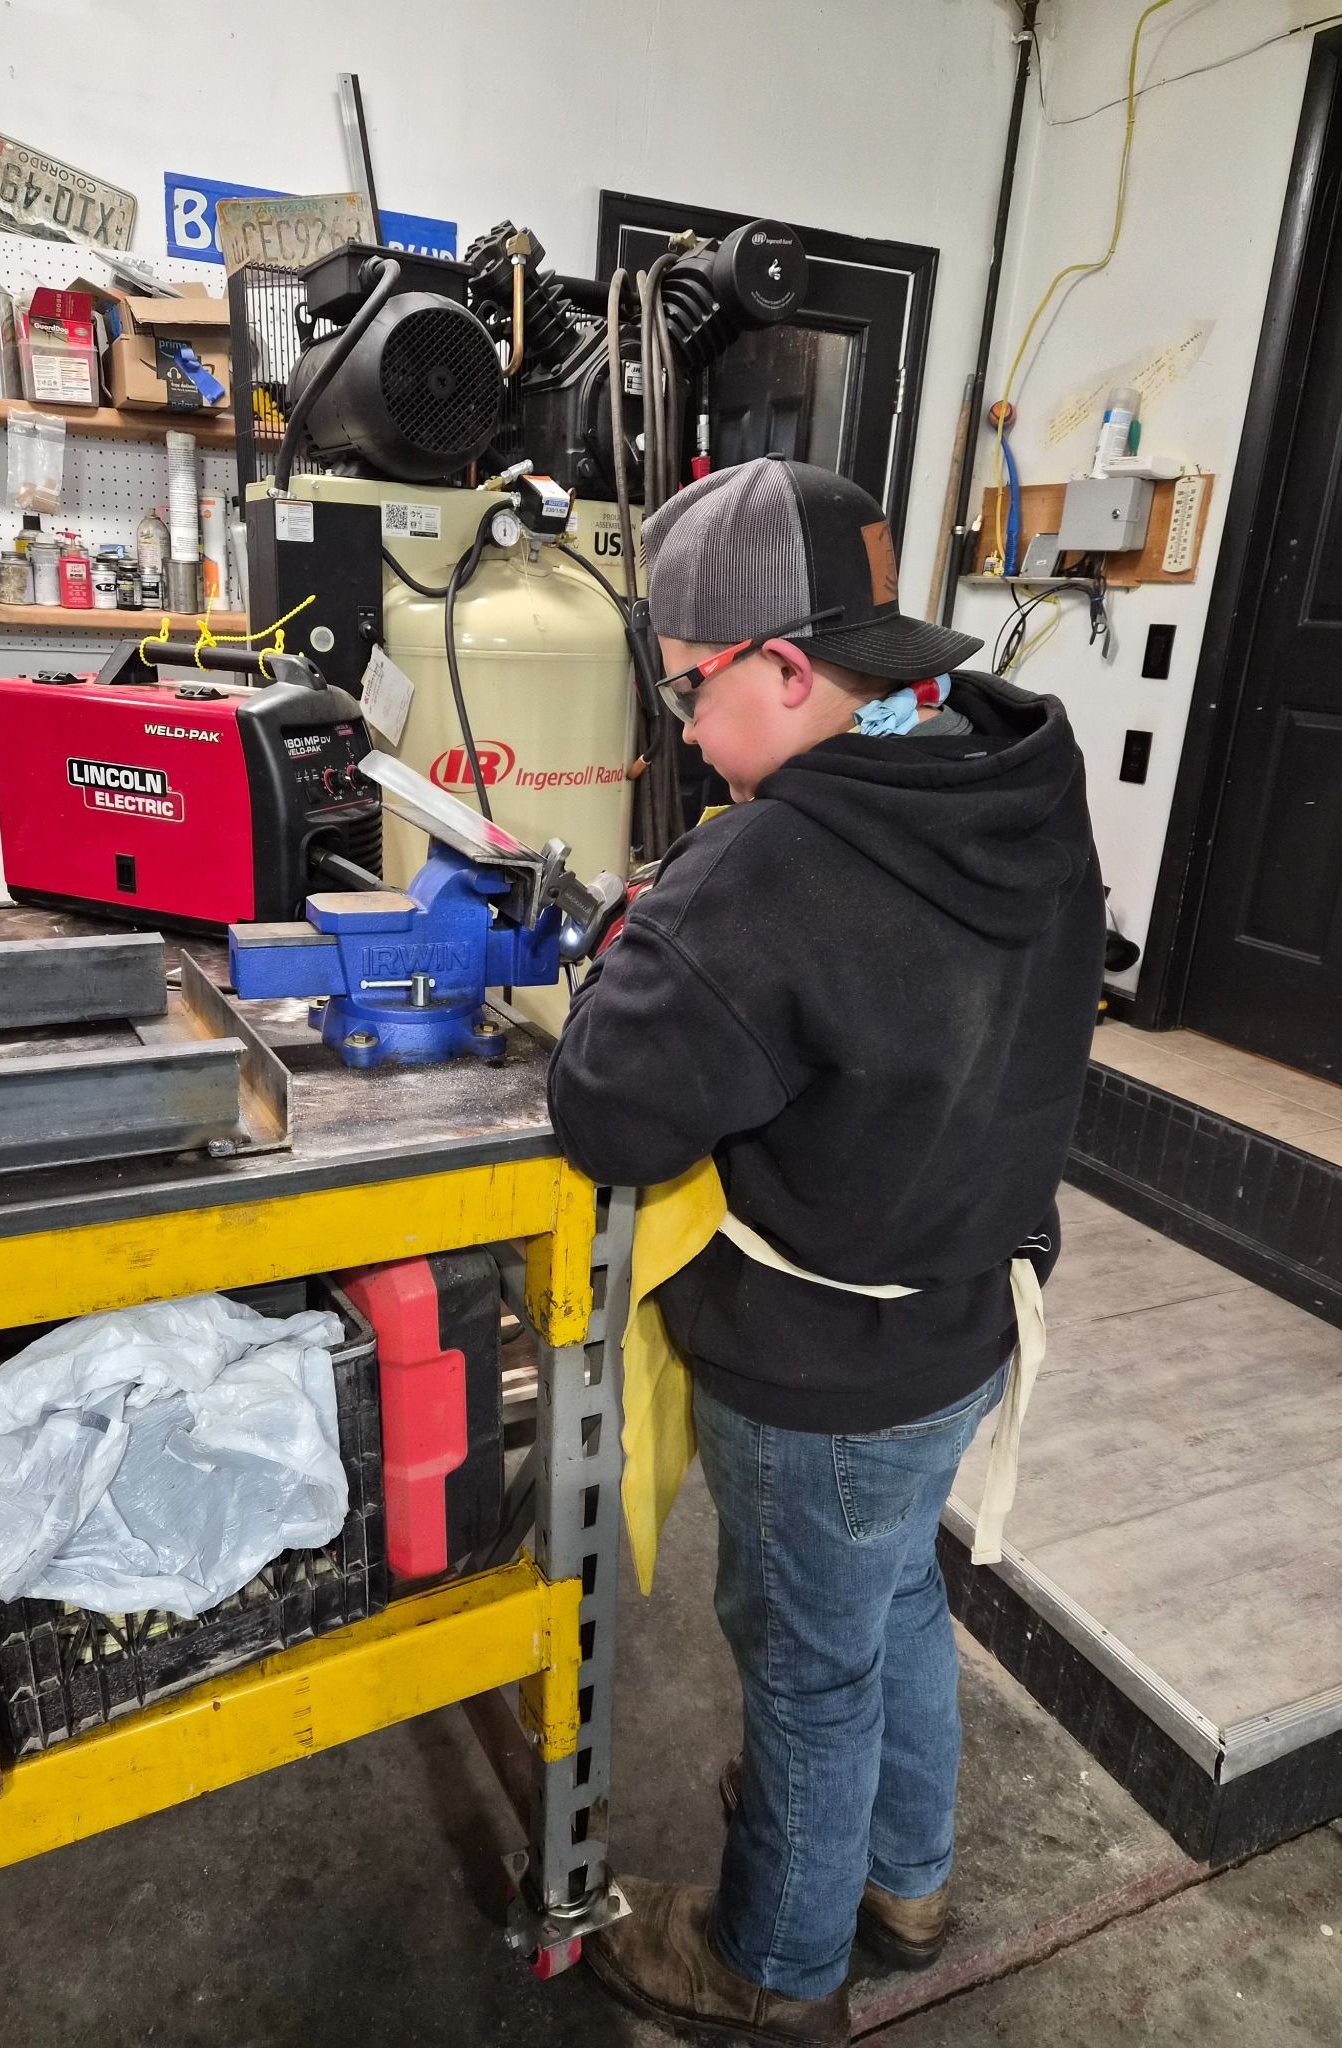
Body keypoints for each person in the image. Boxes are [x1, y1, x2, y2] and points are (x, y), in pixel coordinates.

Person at [545, 455, 1104, 2045]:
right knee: (894, 1603)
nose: (684, 732)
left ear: (788, 670)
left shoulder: (772, 862)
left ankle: (774, 1965)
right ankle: (905, 1882)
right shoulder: (1014, 774)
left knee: (807, 1668)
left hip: (825, 1371)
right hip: (966, 1314)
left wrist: (647, 941)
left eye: (688, 691)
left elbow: (609, 1112)